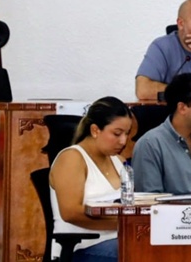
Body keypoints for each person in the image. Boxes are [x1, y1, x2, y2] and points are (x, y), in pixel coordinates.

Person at [49, 96, 132, 262]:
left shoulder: (119, 162)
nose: (123, 141)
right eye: (117, 133)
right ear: (95, 130)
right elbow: (71, 213)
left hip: (118, 240)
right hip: (81, 248)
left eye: (127, 134)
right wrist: (122, 224)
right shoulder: (72, 159)